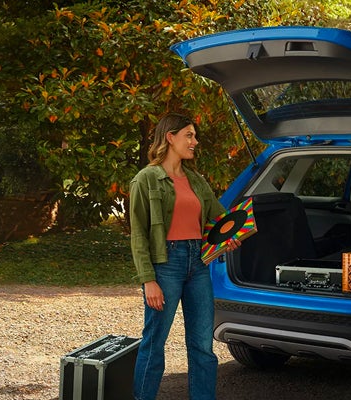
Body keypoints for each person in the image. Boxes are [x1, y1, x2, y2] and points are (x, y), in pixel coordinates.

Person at [129, 113, 238, 400]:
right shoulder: (146, 179)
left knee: (202, 344)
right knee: (154, 343)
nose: (194, 141)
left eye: (194, 135)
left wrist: (230, 238)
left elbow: (220, 219)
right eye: (189, 135)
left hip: (198, 263)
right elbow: (138, 234)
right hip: (166, 264)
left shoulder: (195, 180)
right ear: (170, 137)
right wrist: (148, 280)